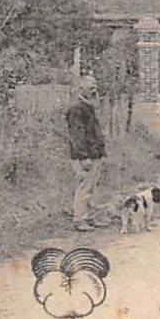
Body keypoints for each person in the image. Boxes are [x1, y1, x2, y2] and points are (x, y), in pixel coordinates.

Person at [66, 78, 105, 232]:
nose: (93, 90)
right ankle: (79, 219)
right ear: (81, 89)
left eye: (95, 87)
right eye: (90, 88)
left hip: (94, 153)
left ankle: (89, 217)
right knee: (84, 187)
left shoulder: (88, 106)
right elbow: (77, 135)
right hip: (85, 155)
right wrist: (83, 157)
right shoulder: (77, 108)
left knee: (91, 187)